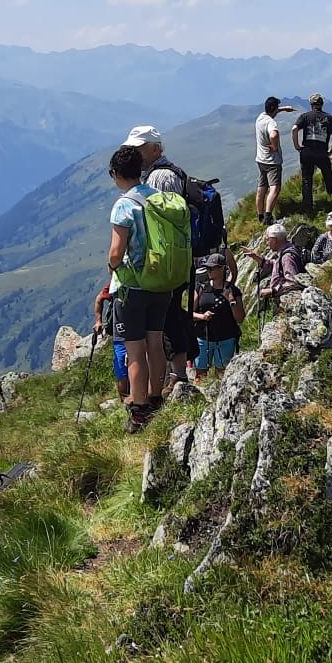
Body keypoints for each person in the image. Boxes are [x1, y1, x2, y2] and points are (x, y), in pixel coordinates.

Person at [121, 124, 196, 387]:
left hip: (165, 261)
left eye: (139, 149)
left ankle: (172, 376)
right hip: (175, 259)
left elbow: (165, 222)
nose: (136, 155)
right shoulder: (166, 173)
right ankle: (175, 373)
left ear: (155, 148)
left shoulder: (158, 179)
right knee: (171, 313)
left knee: (166, 317)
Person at [106, 145, 172, 433]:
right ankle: (157, 399)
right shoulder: (158, 198)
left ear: (116, 174)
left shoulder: (124, 204)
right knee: (155, 343)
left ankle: (139, 411)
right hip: (162, 282)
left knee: (135, 350)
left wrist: (113, 267)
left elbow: (115, 253)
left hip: (133, 286)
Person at [191, 254, 244, 379]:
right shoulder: (201, 288)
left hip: (226, 338)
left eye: (212, 268)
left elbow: (240, 318)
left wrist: (230, 299)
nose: (209, 271)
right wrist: (202, 316)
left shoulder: (232, 290)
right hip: (203, 338)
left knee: (222, 374)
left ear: (222, 269)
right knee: (200, 374)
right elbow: (189, 314)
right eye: (208, 268)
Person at [291, 93, 332, 210]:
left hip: (307, 151)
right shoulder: (329, 118)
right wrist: (331, 151)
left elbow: (294, 129)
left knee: (307, 178)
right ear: (322, 104)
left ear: (311, 104)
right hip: (321, 152)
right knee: (327, 174)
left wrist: (297, 146)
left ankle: (307, 206)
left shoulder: (305, 116)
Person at [254, 97, 296, 224]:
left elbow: (271, 112)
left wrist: (283, 109)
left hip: (261, 159)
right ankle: (268, 217)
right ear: (273, 109)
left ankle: (260, 216)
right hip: (272, 161)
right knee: (275, 188)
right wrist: (274, 146)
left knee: (262, 187)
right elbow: (274, 134)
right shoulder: (271, 123)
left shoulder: (261, 117)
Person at [93, 282, 128, 405]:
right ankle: (126, 401)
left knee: (123, 365)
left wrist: (99, 321)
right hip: (119, 331)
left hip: (124, 331)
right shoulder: (116, 282)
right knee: (122, 365)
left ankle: (132, 398)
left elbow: (99, 299)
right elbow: (100, 298)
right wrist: (98, 321)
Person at [247, 224, 304, 300]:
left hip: (287, 301)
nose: (267, 242)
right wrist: (257, 257)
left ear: (274, 240)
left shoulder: (287, 257)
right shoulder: (285, 251)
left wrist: (272, 291)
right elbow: (275, 266)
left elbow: (292, 283)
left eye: (268, 239)